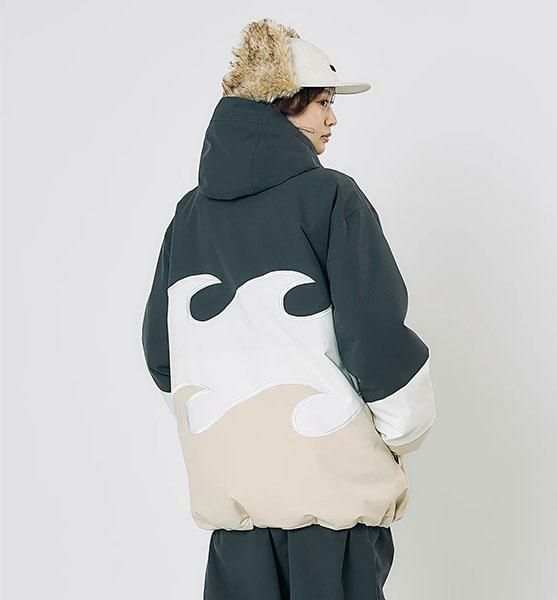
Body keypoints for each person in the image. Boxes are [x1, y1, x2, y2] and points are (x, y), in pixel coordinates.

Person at [141, 17, 437, 600]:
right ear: (282, 106)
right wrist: (400, 434)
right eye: (322, 103)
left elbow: (161, 352)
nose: (332, 119)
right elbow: (375, 337)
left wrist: (227, 422)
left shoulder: (189, 215)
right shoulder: (331, 197)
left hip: (235, 500)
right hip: (330, 495)